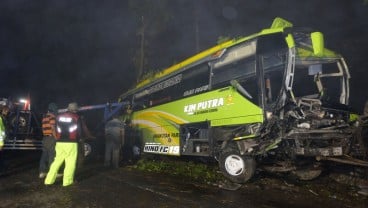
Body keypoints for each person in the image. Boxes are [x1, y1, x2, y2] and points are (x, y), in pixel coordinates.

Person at [44, 102, 81, 187]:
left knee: (56, 161)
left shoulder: (59, 117)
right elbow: (79, 131)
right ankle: (67, 182)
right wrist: (80, 139)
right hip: (71, 143)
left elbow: (55, 128)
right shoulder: (76, 117)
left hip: (60, 142)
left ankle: (48, 181)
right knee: (70, 163)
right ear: (75, 110)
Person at [38, 103, 58, 178]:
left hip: (45, 138)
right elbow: (53, 127)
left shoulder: (44, 117)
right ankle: (52, 173)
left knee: (44, 155)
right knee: (51, 155)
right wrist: (56, 137)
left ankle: (42, 172)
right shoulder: (52, 117)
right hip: (51, 138)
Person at [0, 105, 9, 172]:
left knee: (3, 155)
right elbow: (1, 131)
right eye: (7, 111)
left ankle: (3, 167)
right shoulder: (1, 118)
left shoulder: (3, 118)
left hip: (2, 140)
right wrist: (1, 143)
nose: (8, 112)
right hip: (1, 141)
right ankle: (2, 168)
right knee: (2, 155)